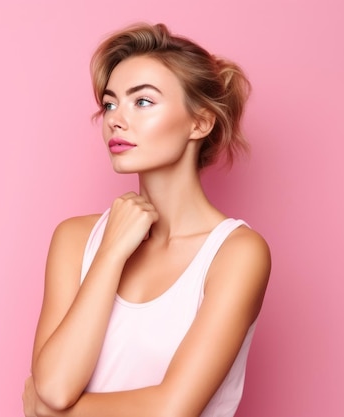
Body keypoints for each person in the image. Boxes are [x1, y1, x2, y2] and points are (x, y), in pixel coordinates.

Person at [22, 22, 271, 417]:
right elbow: (53, 386)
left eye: (142, 102)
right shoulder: (75, 238)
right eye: (110, 103)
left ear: (200, 122)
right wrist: (111, 252)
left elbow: (170, 410)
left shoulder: (236, 253)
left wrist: (56, 414)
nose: (116, 120)